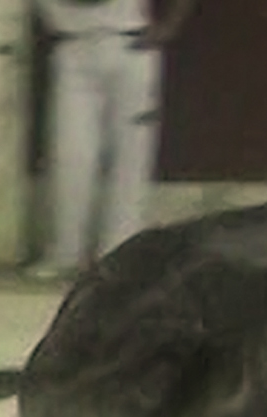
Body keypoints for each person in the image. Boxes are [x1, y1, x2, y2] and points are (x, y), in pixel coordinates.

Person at [23, 0, 197, 282]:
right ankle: (66, 253)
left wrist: (168, 28)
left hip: (130, 43)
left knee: (130, 159)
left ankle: (118, 254)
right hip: (71, 46)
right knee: (71, 157)